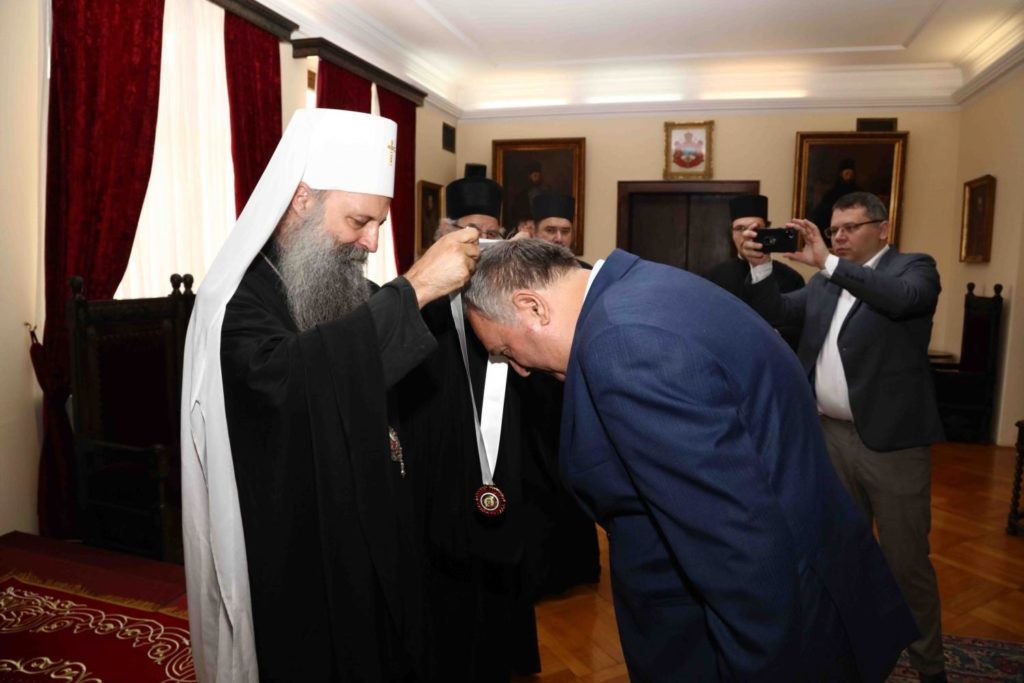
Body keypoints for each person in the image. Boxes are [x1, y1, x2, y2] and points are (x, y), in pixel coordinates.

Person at [462, 239, 919, 682]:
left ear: (532, 307)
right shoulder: (646, 283)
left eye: (506, 351)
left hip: (753, 627)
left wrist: (761, 666)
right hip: (807, 573)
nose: (519, 369)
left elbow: (732, 539)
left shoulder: (623, 344)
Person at [180, 108, 480, 682]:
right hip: (298, 545)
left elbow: (390, 343)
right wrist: (415, 286)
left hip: (369, 522)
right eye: (359, 221)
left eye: (379, 224)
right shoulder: (237, 301)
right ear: (301, 199)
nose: (371, 242)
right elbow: (285, 386)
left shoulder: (337, 279)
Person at [740, 191, 948, 683]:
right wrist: (761, 266)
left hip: (892, 446)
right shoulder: (826, 284)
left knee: (904, 564)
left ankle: (930, 667)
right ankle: (852, 655)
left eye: (851, 228)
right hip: (828, 439)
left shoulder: (914, 268)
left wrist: (829, 263)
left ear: (883, 228)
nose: (839, 237)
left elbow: (903, 300)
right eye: (834, 230)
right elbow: (776, 311)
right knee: (841, 553)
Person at [406, 170, 542, 681]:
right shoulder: (423, 287)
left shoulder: (512, 289)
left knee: (502, 547)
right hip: (439, 438)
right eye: (470, 230)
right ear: (447, 233)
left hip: (502, 441)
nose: (481, 241)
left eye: (491, 232)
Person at [703, 193, 804, 350]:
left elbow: (798, 330)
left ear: (767, 230)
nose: (747, 235)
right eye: (740, 229)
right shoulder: (713, 277)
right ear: (731, 233)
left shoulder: (791, 278)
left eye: (755, 229)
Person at [811, 158, 862, 241]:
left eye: (851, 174)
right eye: (847, 173)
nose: (849, 176)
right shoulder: (831, 193)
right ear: (841, 174)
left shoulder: (859, 192)